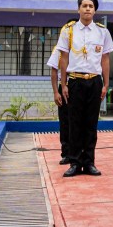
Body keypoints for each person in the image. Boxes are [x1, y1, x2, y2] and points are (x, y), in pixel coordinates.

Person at [57, 0, 113, 177]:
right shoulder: (68, 31)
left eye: (91, 6)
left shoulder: (102, 32)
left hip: (94, 81)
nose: (88, 9)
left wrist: (106, 84)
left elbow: (105, 59)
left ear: (95, 10)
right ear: (78, 9)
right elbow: (63, 58)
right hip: (75, 81)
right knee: (74, 123)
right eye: (84, 6)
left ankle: (89, 162)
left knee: (91, 123)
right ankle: (74, 162)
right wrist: (63, 84)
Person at [46, 26, 74, 164]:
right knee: (65, 121)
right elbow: (54, 71)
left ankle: (80, 153)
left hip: (80, 86)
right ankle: (67, 153)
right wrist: (56, 92)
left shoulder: (84, 47)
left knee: (80, 121)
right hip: (64, 87)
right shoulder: (58, 49)